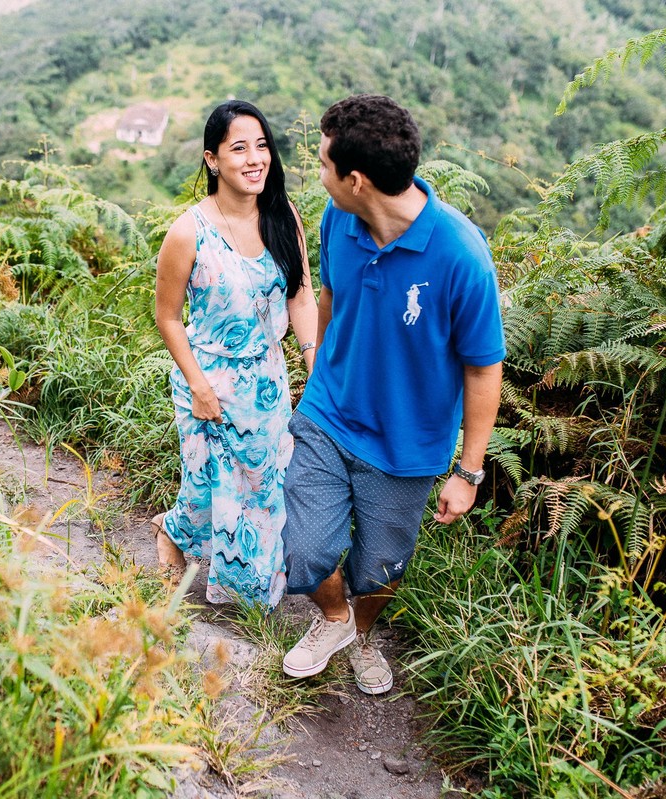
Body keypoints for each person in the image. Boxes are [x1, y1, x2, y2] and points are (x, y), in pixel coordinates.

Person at [280, 94, 505, 693]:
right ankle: (332, 620)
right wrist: (320, 367)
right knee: (303, 551)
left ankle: (361, 631)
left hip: (409, 446)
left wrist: (469, 471)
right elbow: (330, 298)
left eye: (324, 164)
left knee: (380, 569)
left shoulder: (460, 254)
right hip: (330, 414)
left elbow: (484, 369)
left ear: (356, 180)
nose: (318, 174)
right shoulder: (338, 219)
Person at [152, 99, 318, 607]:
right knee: (211, 489)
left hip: (266, 382)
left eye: (262, 146)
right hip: (207, 384)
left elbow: (301, 294)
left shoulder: (282, 216)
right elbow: (168, 317)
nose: (254, 159)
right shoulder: (188, 232)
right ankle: (174, 535)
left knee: (266, 488)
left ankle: (251, 591)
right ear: (212, 160)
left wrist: (314, 358)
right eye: (239, 148)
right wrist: (199, 386)